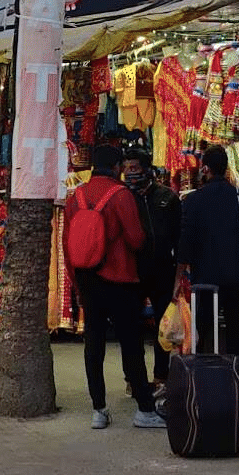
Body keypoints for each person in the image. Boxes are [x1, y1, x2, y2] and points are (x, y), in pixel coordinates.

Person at [67, 145, 163, 430]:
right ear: (118, 166)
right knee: (131, 345)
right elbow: (136, 239)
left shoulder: (76, 196)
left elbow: (67, 244)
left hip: (87, 279)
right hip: (120, 280)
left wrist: (76, 281)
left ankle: (99, 409)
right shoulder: (121, 196)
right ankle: (144, 410)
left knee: (93, 345)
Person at [176, 144, 239, 365]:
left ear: (205, 168)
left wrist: (177, 279)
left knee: (203, 327)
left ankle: (205, 373)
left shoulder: (194, 200)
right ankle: (237, 375)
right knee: (237, 328)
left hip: (206, 278)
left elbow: (185, 244)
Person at [121, 146, 183, 385]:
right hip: (132, 272)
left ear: (147, 169)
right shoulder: (124, 198)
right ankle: (134, 379)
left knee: (163, 327)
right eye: (126, 169)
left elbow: (179, 236)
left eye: (134, 168)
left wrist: (180, 273)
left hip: (162, 271)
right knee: (131, 328)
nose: (129, 174)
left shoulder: (167, 197)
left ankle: (161, 377)